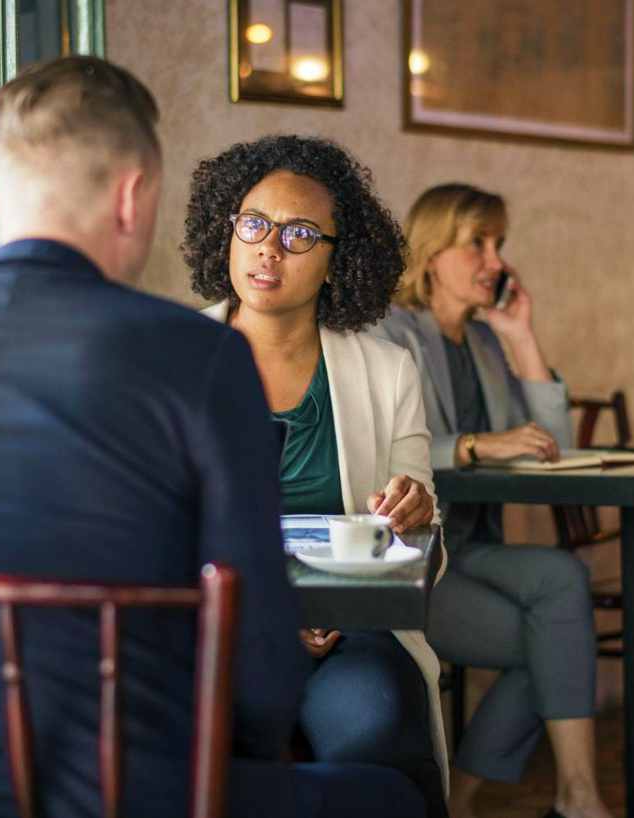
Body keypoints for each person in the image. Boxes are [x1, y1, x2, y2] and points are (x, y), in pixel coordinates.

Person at [0, 58, 424, 818]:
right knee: (395, 797)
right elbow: (259, 664)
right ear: (135, 195)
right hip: (134, 790)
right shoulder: (197, 357)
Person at [182, 134, 449, 817]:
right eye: (254, 224)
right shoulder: (172, 359)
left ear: (338, 260)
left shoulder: (387, 370)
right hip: (209, 630)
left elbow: (422, 540)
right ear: (229, 234)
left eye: (300, 233)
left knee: (379, 731)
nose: (270, 247)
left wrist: (414, 506)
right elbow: (149, 532)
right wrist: (259, 621)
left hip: (348, 627)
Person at [373, 183, 613, 818]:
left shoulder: (482, 341)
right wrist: (479, 445)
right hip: (416, 559)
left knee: (564, 579)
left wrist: (521, 335)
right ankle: (566, 798)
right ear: (430, 254)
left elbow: (550, 448)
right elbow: (394, 451)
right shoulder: (390, 332)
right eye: (476, 243)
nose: (496, 260)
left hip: (474, 547)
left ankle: (553, 796)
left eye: (498, 244)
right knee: (557, 640)